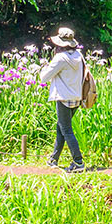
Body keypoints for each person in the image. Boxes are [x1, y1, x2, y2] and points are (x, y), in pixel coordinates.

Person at [38, 27, 86, 172]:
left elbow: (43, 77)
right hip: (76, 98)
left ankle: (78, 162)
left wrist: (45, 65)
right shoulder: (79, 56)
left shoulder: (60, 58)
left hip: (63, 98)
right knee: (62, 128)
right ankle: (53, 159)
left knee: (66, 130)